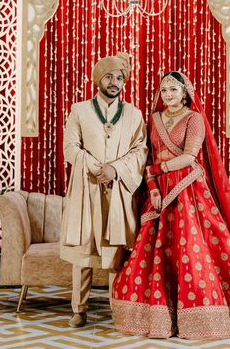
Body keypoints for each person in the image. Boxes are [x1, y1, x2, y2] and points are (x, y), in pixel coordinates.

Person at [111, 71, 230, 339]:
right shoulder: (154, 119)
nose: (168, 95)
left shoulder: (194, 118)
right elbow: (148, 159)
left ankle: (203, 315)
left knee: (190, 248)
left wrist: (157, 170)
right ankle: (160, 316)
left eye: (173, 90)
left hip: (188, 190)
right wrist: (152, 186)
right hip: (159, 190)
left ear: (185, 93)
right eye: (164, 90)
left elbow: (189, 157)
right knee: (155, 252)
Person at [60, 52, 148, 328]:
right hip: (87, 188)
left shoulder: (133, 114)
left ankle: (116, 309)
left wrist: (115, 170)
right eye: (108, 76)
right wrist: (96, 167)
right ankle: (79, 309)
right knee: (84, 251)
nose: (114, 82)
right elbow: (70, 148)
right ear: (98, 79)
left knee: (116, 253)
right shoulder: (80, 110)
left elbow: (140, 150)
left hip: (119, 190)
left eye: (119, 77)